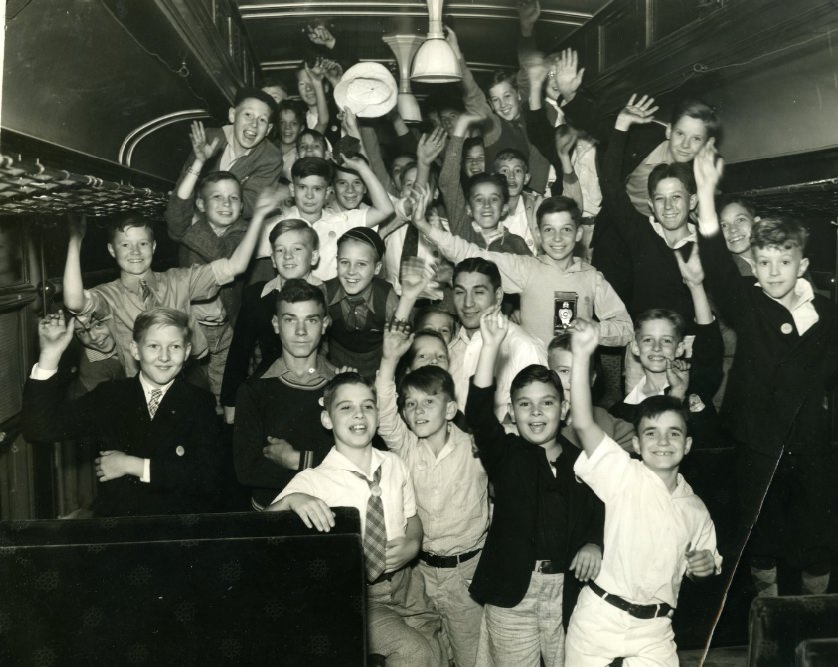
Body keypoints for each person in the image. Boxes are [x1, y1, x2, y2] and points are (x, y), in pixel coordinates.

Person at [694, 140, 838, 596]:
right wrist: (705, 191)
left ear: (803, 264)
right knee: (763, 540)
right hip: (759, 445)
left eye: (785, 261)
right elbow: (716, 265)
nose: (775, 272)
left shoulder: (828, 314)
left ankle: (817, 623)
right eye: (765, 263)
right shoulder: (748, 305)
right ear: (753, 267)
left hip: (812, 446)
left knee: (816, 539)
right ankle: (766, 620)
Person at [565, 318, 722, 665]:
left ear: (688, 444)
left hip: (655, 630)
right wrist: (580, 354)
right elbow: (583, 423)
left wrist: (704, 566)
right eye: (651, 433)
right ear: (636, 443)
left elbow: (707, 566)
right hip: (598, 619)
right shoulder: (623, 474)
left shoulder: (696, 509)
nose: (662, 442)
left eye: (674, 434)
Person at [269, 372, 446, 667]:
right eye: (346, 407)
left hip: (407, 585)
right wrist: (291, 500)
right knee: (415, 653)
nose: (359, 414)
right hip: (357, 596)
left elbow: (411, 517)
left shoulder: (393, 464)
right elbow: (261, 525)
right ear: (327, 419)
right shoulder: (313, 480)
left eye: (367, 406)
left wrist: (413, 544)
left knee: (436, 650)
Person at [466, 311, 603, 667]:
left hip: (569, 592)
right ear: (511, 411)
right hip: (514, 593)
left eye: (547, 402)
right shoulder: (506, 455)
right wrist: (490, 348)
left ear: (565, 407)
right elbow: (479, 416)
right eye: (525, 404)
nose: (536, 412)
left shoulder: (585, 460)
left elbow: (602, 510)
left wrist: (594, 542)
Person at [23, 309, 223, 517]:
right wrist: (50, 355)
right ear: (135, 350)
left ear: (187, 350)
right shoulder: (110, 396)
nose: (164, 357)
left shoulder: (199, 402)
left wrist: (132, 465)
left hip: (174, 528)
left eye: (174, 347)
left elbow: (208, 479)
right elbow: (39, 429)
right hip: (120, 524)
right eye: (153, 346)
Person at [63, 189, 279, 378]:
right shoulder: (110, 295)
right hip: (141, 386)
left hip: (187, 375)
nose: (135, 252)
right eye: (126, 245)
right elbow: (74, 302)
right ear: (112, 250)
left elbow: (235, 266)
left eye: (143, 243)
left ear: (154, 247)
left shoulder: (178, 280)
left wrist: (258, 217)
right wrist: (75, 239)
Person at [377, 322, 488, 667]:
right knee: (433, 654)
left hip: (467, 571)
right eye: (410, 404)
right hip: (421, 573)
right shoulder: (407, 448)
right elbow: (383, 409)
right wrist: (390, 359)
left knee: (472, 657)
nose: (419, 410)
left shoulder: (476, 447)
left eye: (429, 402)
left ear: (451, 409)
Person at [416, 194, 633, 348]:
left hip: (577, 377)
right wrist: (425, 227)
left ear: (578, 234)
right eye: (549, 230)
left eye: (566, 230)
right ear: (538, 234)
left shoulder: (592, 277)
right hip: (533, 377)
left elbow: (626, 328)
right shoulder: (526, 268)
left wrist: (595, 330)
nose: (557, 239)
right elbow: (470, 252)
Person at [233, 279, 335, 510]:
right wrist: (317, 466)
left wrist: (297, 460)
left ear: (325, 324)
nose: (300, 331)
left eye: (311, 320)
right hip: (273, 513)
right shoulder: (253, 391)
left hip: (330, 510)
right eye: (290, 320)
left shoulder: (340, 386)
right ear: (276, 324)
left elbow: (356, 460)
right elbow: (247, 470)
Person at [220, 219, 324, 423]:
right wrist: (231, 403)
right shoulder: (257, 295)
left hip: (315, 384)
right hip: (268, 385)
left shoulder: (327, 294)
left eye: (297, 249)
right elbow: (239, 352)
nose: (288, 257)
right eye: (280, 250)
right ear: (273, 260)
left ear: (313, 257)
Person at [164, 160, 249, 402]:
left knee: (221, 386)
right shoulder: (193, 224)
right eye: (217, 197)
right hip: (192, 324)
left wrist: (189, 229)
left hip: (225, 326)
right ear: (201, 204)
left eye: (233, 198)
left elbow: (223, 255)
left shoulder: (243, 233)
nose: (226, 203)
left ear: (242, 206)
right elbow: (174, 216)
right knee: (189, 386)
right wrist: (198, 163)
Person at [255, 155, 394, 283]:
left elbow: (385, 209)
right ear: (292, 189)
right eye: (303, 187)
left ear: (327, 192)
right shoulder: (276, 224)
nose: (309, 196)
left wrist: (362, 168)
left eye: (317, 189)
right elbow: (242, 256)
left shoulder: (341, 222)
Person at [445, 257, 547, 422]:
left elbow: (540, 419)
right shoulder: (448, 348)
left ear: (498, 296)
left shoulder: (524, 348)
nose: (467, 303)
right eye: (460, 292)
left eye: (478, 292)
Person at [174, 88, 282, 220]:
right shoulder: (208, 139)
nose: (253, 124)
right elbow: (183, 190)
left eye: (262, 120)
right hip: (192, 219)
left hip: (233, 229)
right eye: (248, 114)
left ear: (268, 129)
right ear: (232, 115)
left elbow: (250, 205)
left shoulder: (270, 158)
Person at [324, 228, 399, 380]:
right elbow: (317, 346)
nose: (351, 271)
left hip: (379, 372)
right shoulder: (325, 293)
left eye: (361, 264)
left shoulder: (387, 297)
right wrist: (332, 372)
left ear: (377, 268)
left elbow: (399, 345)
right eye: (345, 262)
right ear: (336, 262)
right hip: (334, 369)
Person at [547, 333, 634, 452]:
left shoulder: (608, 424)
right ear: (549, 375)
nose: (573, 379)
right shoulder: (538, 418)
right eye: (564, 371)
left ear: (592, 379)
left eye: (580, 371)